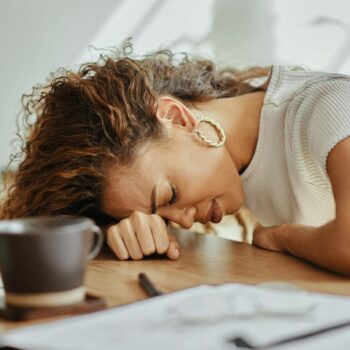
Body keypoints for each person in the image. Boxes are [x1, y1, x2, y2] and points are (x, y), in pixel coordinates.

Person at [1, 41, 350, 275]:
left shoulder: (328, 106)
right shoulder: (235, 158)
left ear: (177, 118)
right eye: (165, 217)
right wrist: (117, 230)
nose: (183, 223)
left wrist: (279, 237)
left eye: (169, 198)